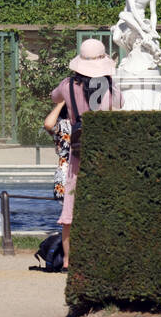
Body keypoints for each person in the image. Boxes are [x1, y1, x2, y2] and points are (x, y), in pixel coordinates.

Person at [44, 39, 121, 269]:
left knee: (70, 210)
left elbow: (53, 97)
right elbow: (120, 104)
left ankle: (68, 260)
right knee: (104, 205)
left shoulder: (68, 85)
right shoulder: (109, 88)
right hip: (104, 155)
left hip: (78, 154)